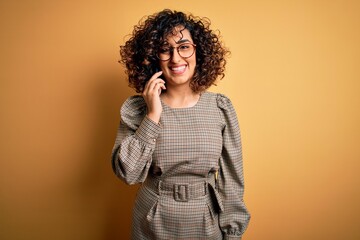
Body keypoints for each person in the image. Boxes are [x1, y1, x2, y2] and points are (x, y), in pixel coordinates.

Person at [111, 9, 250, 239]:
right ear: (154, 57)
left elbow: (232, 181)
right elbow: (128, 174)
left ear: (199, 51)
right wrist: (153, 114)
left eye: (184, 46)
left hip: (205, 221)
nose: (176, 58)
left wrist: (232, 233)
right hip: (151, 220)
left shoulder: (220, 108)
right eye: (165, 50)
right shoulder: (138, 109)